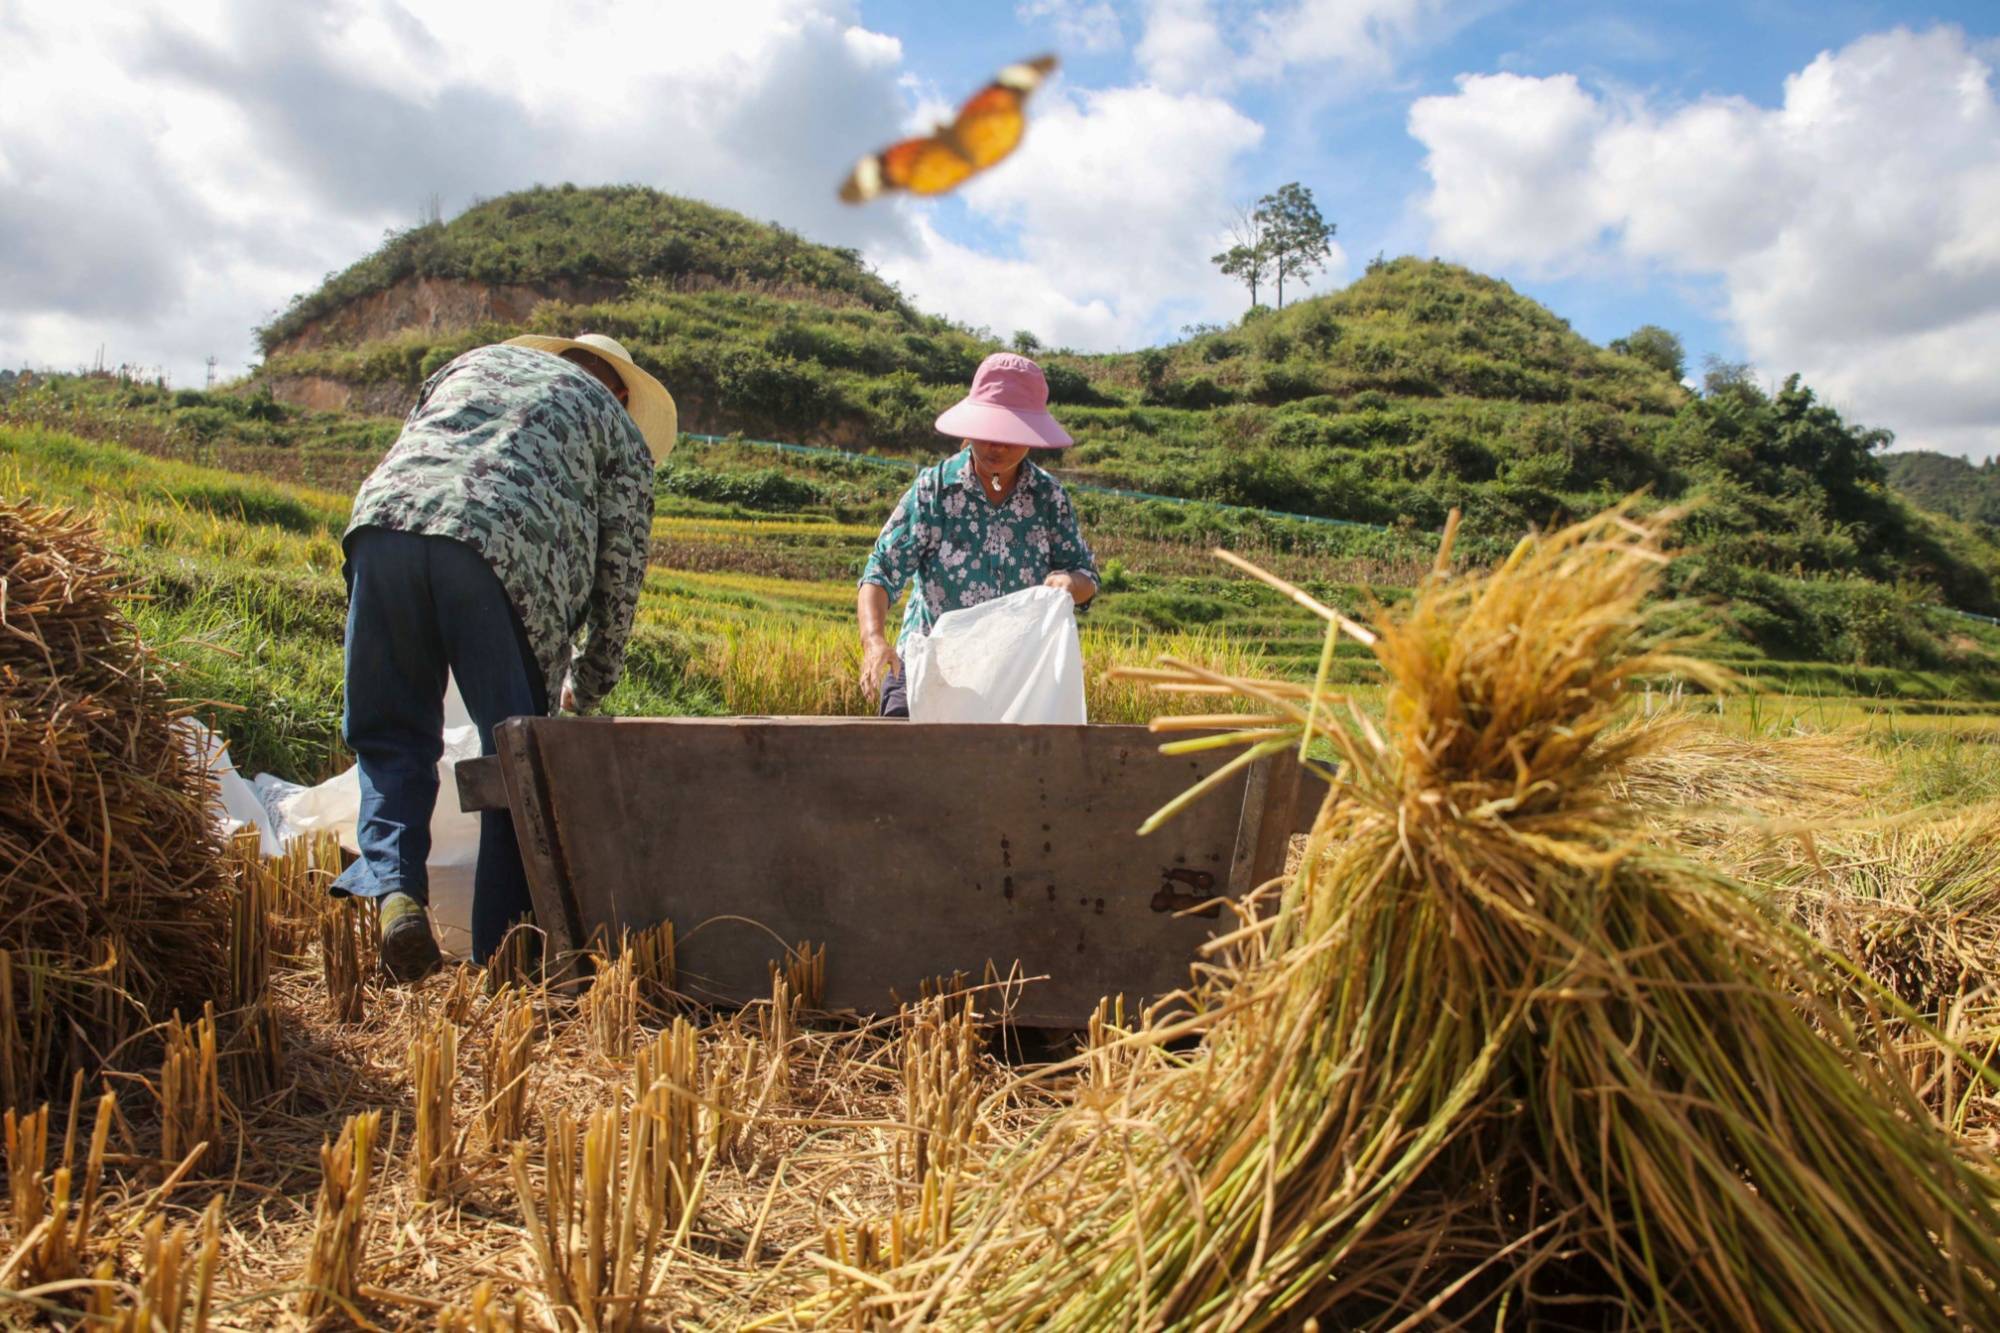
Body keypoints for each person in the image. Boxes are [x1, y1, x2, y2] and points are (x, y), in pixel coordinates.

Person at [335, 332, 676, 980]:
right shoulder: (620, 432)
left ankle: (397, 890)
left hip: (383, 528)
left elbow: (419, 444)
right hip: (499, 556)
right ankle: (503, 961)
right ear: (625, 393)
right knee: (512, 765)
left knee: (391, 739)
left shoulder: (469, 363)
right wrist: (592, 681)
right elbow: (621, 575)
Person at [858, 352, 1097, 715]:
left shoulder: (1049, 499)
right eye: (987, 433)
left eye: (1010, 436)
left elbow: (1086, 577)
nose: (996, 446)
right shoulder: (935, 490)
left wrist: (1069, 582)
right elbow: (881, 570)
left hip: (1012, 676)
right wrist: (874, 640)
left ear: (1031, 435)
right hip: (932, 668)